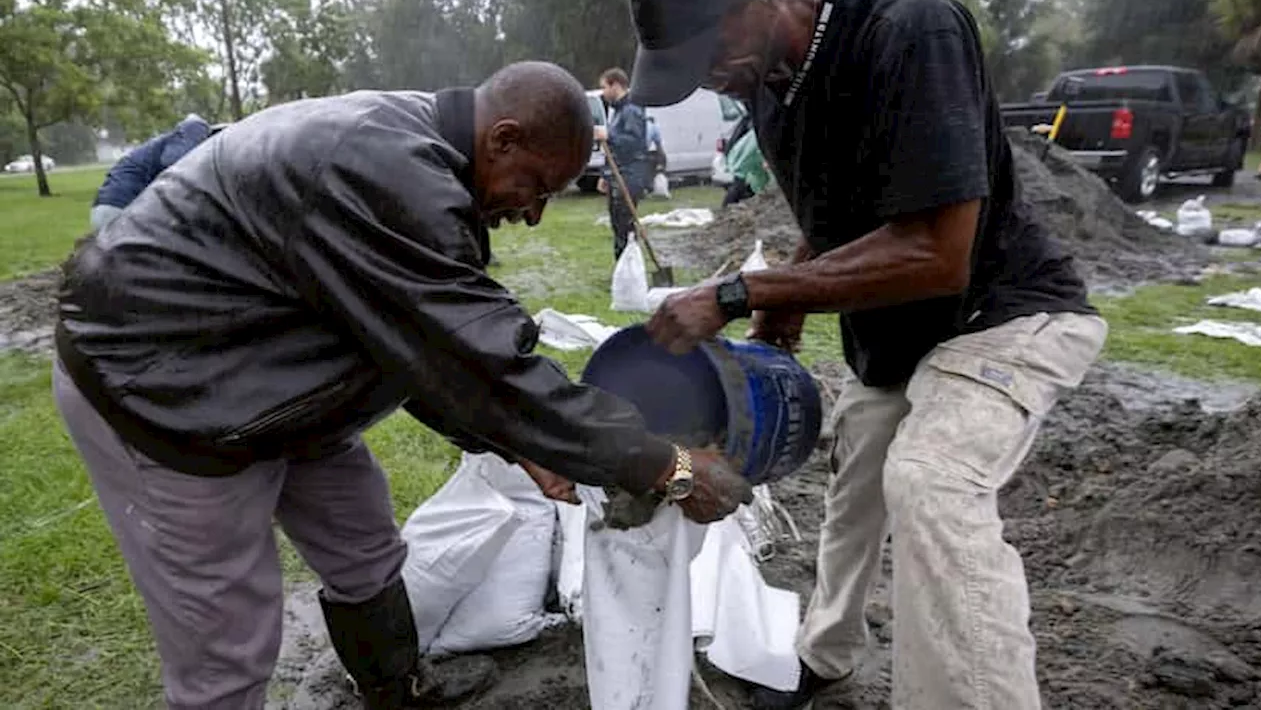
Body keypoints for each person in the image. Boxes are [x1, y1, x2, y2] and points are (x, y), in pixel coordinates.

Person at [54, 60, 751, 710]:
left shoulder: (421, 158)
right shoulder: (383, 167)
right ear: (502, 139)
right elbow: (482, 362)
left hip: (265, 377)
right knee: (227, 642)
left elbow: (416, 345)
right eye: (536, 187)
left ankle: (397, 691)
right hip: (163, 396)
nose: (534, 213)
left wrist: (521, 446)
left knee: (364, 543)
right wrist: (672, 466)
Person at [627, 0, 1108, 708]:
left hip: (1002, 313)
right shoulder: (769, 89)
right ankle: (825, 653)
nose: (707, 75)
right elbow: (836, 218)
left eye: (709, 47)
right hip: (898, 334)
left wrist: (741, 293)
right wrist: (782, 309)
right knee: (854, 485)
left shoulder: (910, 30)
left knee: (929, 478)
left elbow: (938, 252)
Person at [90, 114, 215, 231]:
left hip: (105, 206)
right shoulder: (196, 128)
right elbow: (172, 162)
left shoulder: (161, 144)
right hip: (124, 206)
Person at [595, 67, 650, 259]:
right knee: (618, 224)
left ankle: (629, 265)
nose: (603, 93)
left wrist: (610, 135)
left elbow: (635, 143)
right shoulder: (617, 111)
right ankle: (623, 266)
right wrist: (605, 175)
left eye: (604, 87)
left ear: (616, 85)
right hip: (617, 175)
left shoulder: (632, 110)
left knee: (624, 224)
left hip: (630, 176)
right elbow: (614, 151)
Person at [722, 124, 771, 207]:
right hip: (745, 158)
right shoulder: (765, 131)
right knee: (740, 184)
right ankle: (727, 206)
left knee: (759, 179)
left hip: (744, 156)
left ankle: (762, 196)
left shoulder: (758, 129)